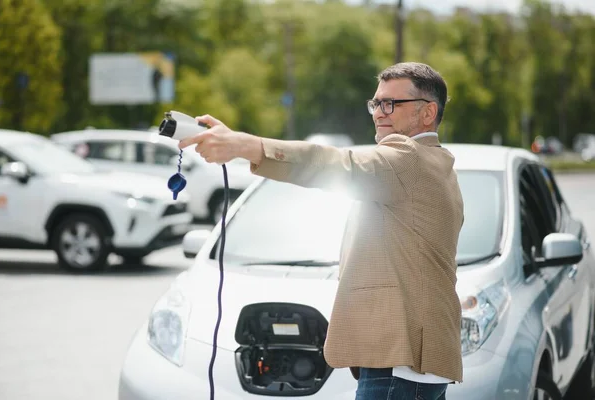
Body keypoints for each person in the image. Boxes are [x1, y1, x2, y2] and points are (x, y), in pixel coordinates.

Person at [178, 62, 464, 400]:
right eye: (376, 103)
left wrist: (244, 146)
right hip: (410, 365)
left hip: (400, 366)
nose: (379, 113)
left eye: (391, 104)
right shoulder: (434, 163)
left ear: (428, 112)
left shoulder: (408, 158)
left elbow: (333, 162)